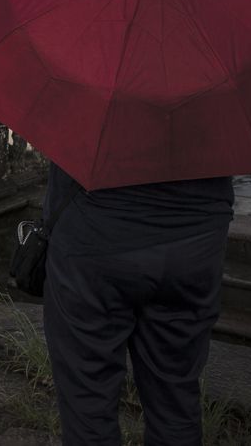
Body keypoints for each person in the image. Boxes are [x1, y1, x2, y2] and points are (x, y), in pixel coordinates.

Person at [43, 161, 234, 446]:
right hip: (194, 238)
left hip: (97, 239)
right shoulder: (219, 115)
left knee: (88, 398)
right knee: (176, 400)